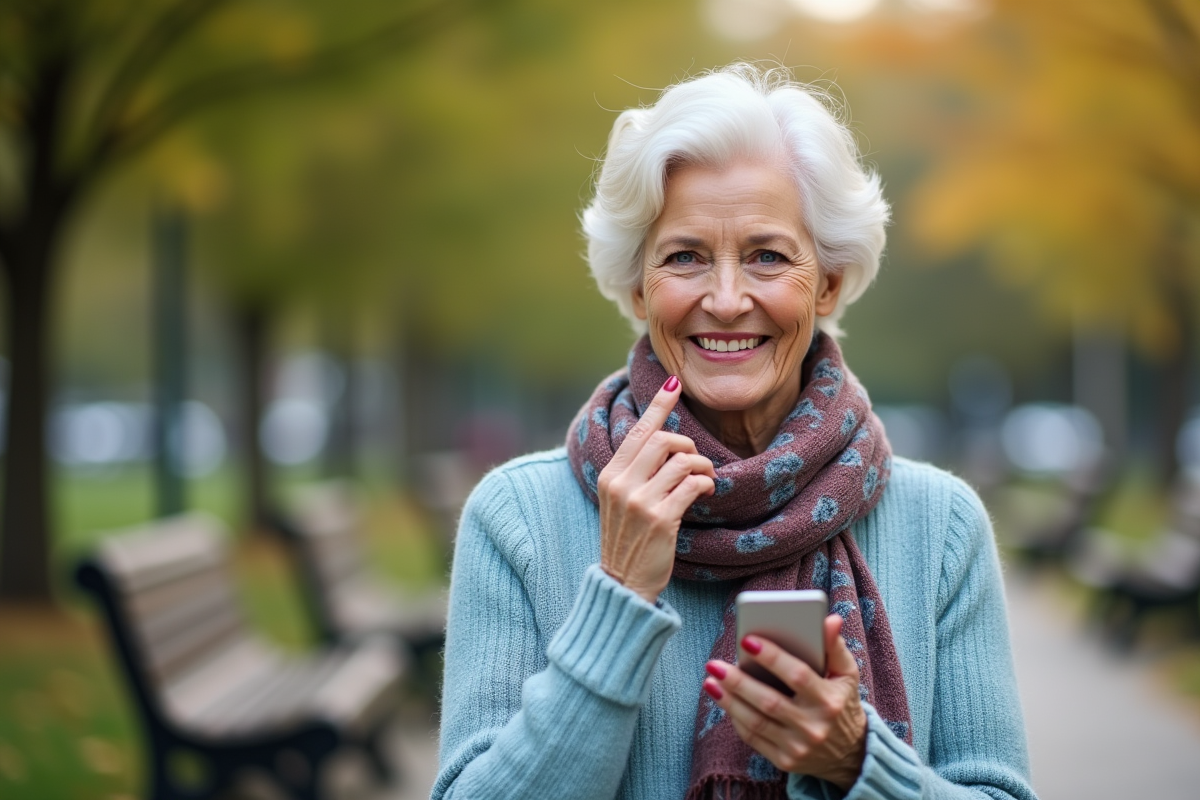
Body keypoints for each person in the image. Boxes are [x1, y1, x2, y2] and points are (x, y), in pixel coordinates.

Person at [433, 64, 1037, 800]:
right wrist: (619, 598)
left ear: (830, 283)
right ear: (636, 284)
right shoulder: (518, 518)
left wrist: (857, 762)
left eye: (767, 256)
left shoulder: (940, 526)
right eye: (685, 256)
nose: (725, 299)